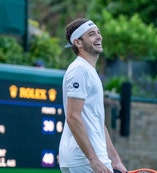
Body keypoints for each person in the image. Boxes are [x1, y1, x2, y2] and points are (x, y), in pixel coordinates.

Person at [59, 18, 127, 173]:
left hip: (86, 158)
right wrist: (93, 160)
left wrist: (115, 160)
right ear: (78, 42)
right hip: (84, 159)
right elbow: (72, 116)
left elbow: (98, 122)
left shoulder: (88, 71)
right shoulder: (79, 70)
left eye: (98, 32)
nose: (98, 37)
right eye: (91, 34)